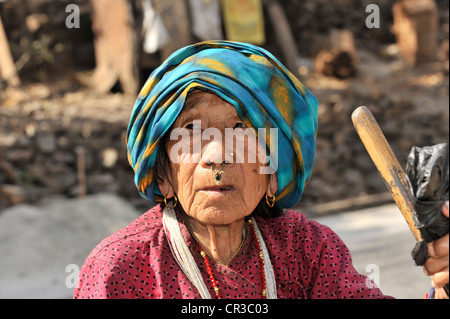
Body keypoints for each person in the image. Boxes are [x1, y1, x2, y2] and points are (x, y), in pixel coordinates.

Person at [73, 41, 449, 299]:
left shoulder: (308, 251)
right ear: (163, 175)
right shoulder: (120, 269)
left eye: (242, 132)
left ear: (273, 170)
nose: (217, 157)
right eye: (191, 132)